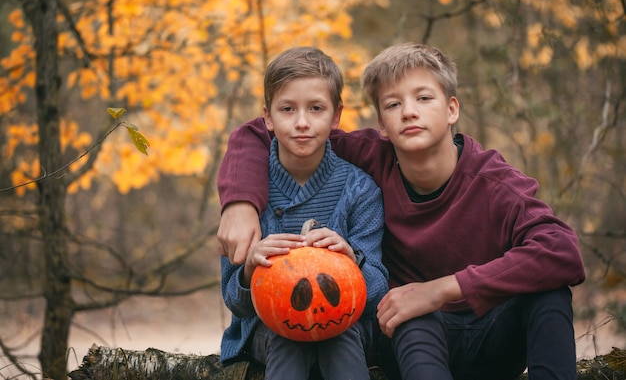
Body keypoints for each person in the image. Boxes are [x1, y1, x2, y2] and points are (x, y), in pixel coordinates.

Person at [217, 43, 586, 380]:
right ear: (381, 124)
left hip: (491, 331)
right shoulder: (369, 157)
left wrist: (441, 289)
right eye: (393, 104)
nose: (409, 112)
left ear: (452, 108)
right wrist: (239, 203)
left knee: (548, 289)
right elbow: (262, 132)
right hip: (416, 336)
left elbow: (562, 251)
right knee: (411, 312)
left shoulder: (495, 183)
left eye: (424, 98)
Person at [219, 46, 388, 380]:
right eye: (287, 109)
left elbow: (377, 291)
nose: (301, 122)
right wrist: (250, 266)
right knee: (289, 338)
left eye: (315, 108)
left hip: (344, 328)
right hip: (266, 330)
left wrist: (352, 258)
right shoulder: (248, 191)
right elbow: (233, 300)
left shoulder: (359, 190)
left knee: (338, 340)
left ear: (336, 115)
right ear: (267, 116)